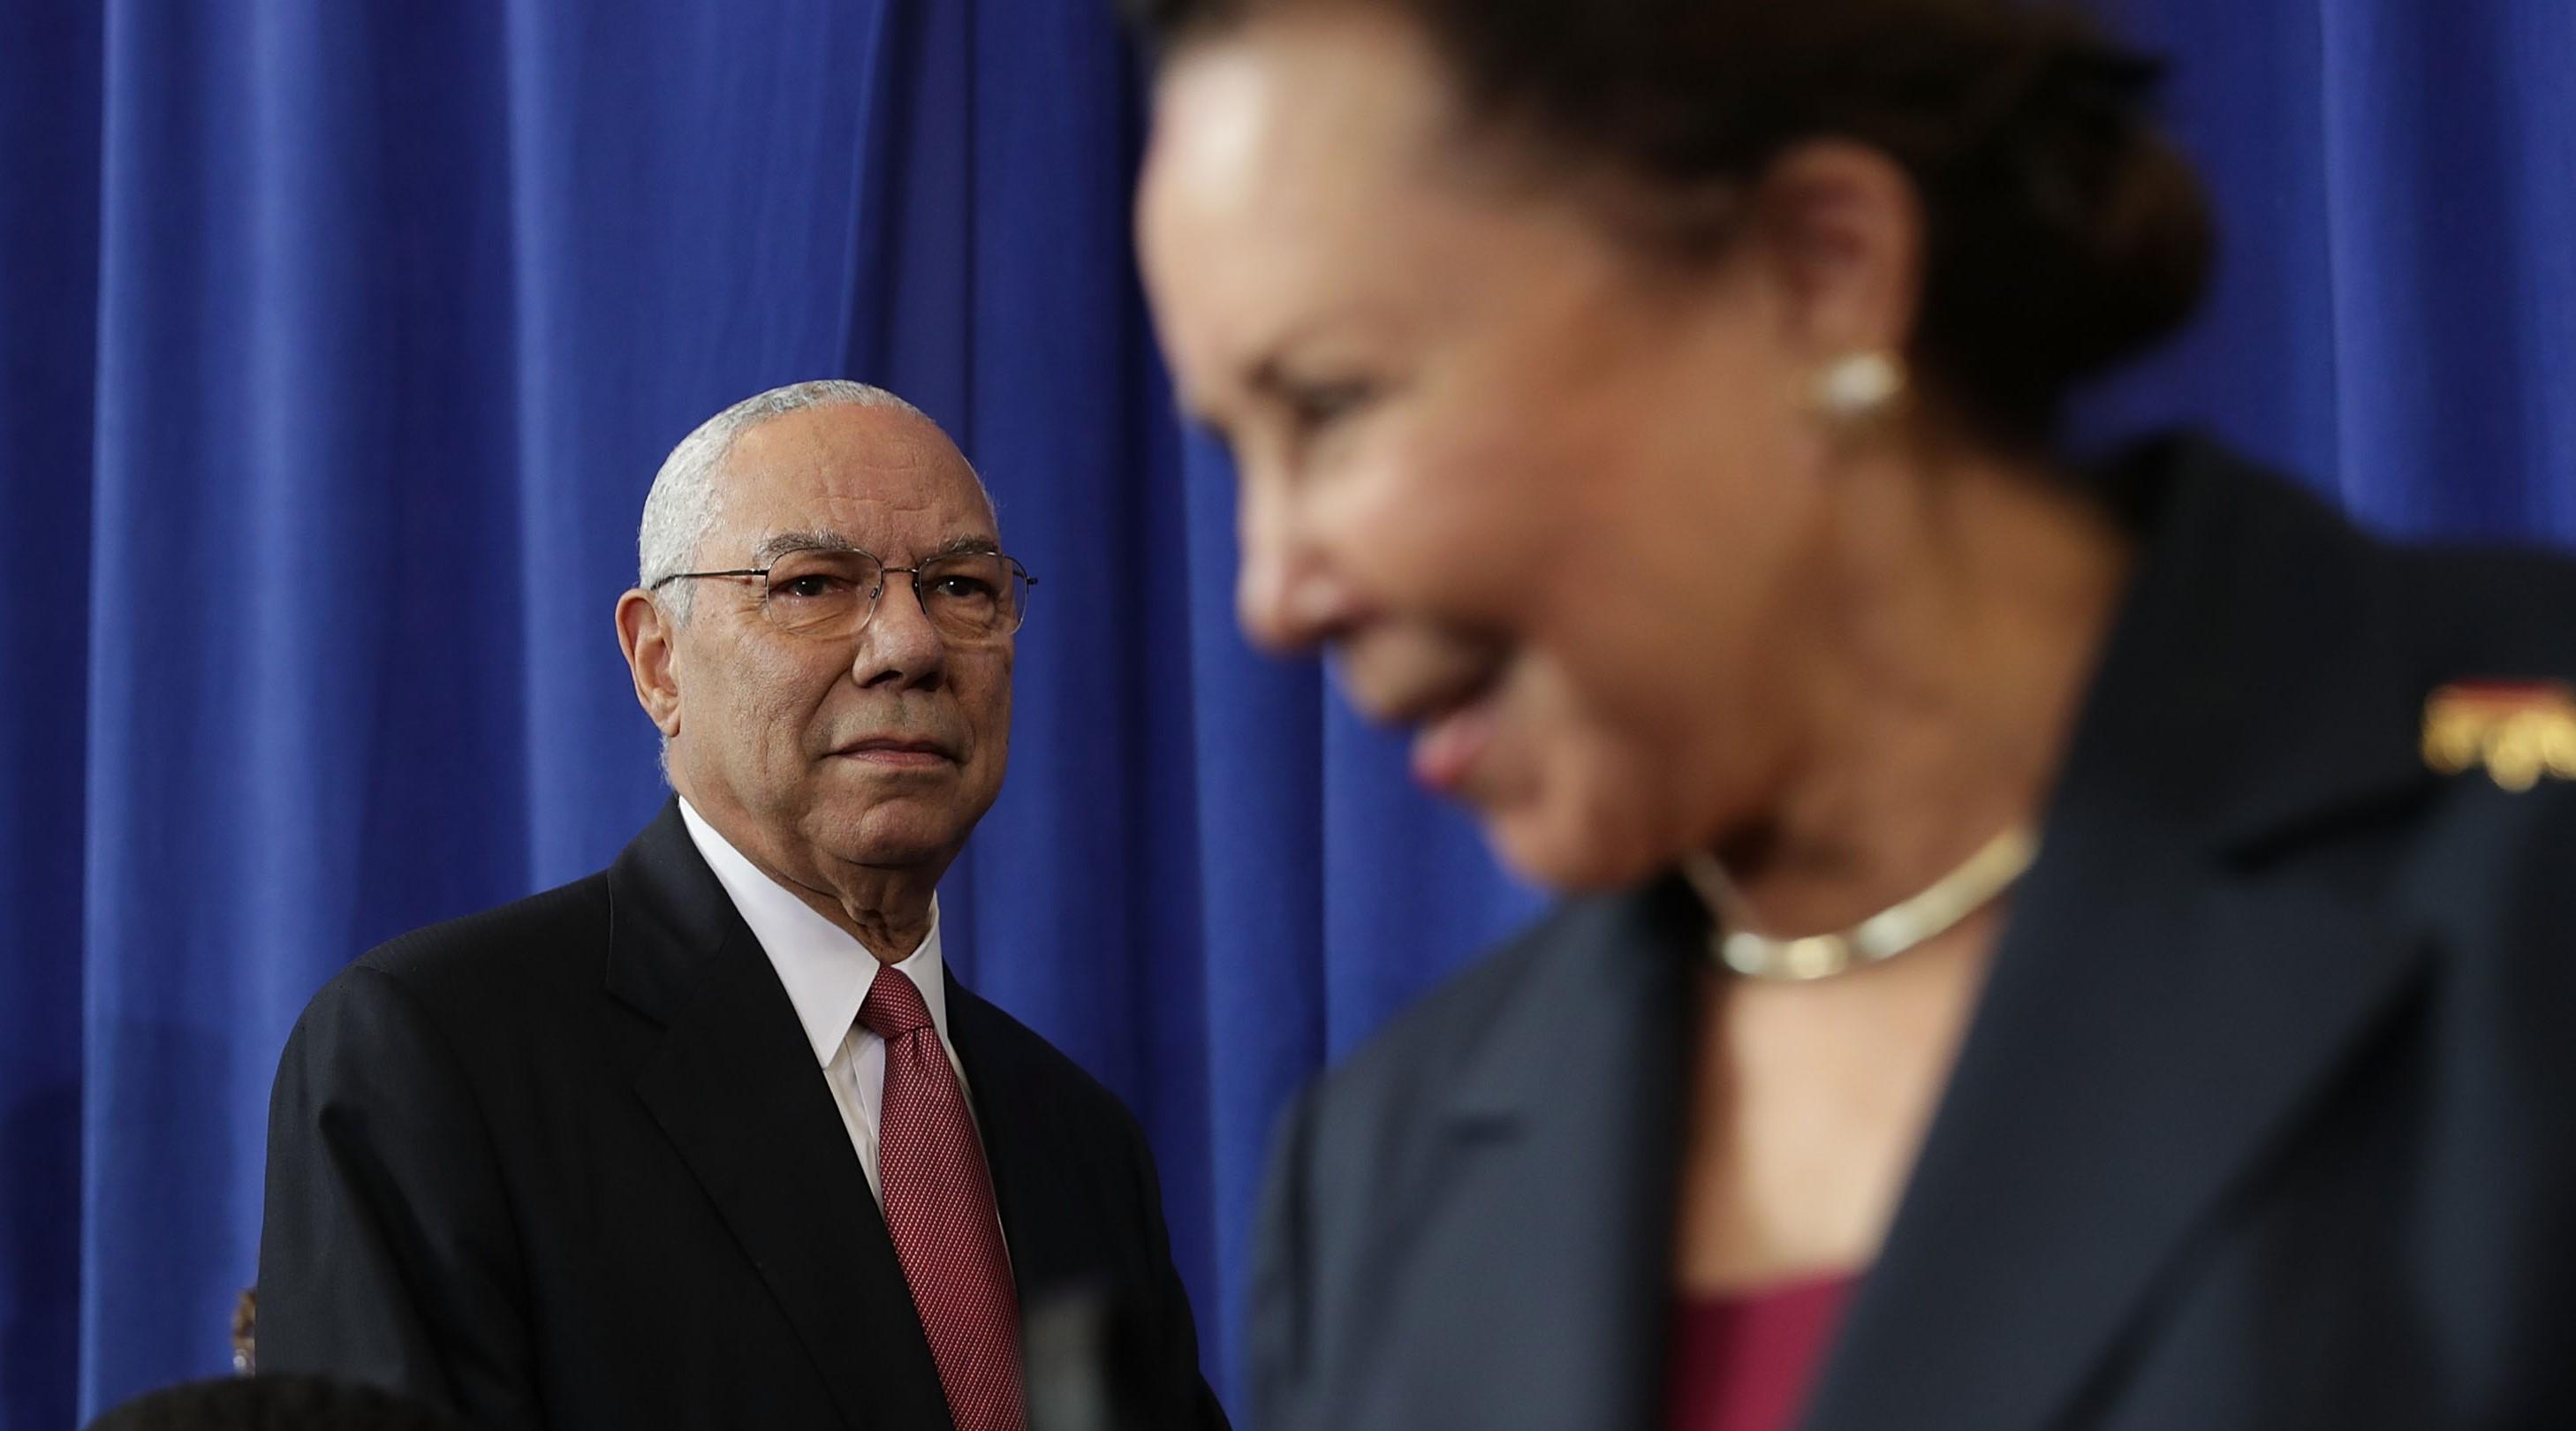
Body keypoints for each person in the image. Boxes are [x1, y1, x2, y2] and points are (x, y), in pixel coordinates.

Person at [1127, 3, 2576, 1429]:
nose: (1271, 596)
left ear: (1820, 271)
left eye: (1331, 402)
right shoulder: (1385, 1172)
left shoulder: (2527, 864)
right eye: (1231, 450)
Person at [259, 381, 1228, 1431]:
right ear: (658, 662)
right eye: (813, 584)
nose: (909, 644)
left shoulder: (1078, 1142)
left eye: (960, 585)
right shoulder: (439, 1054)